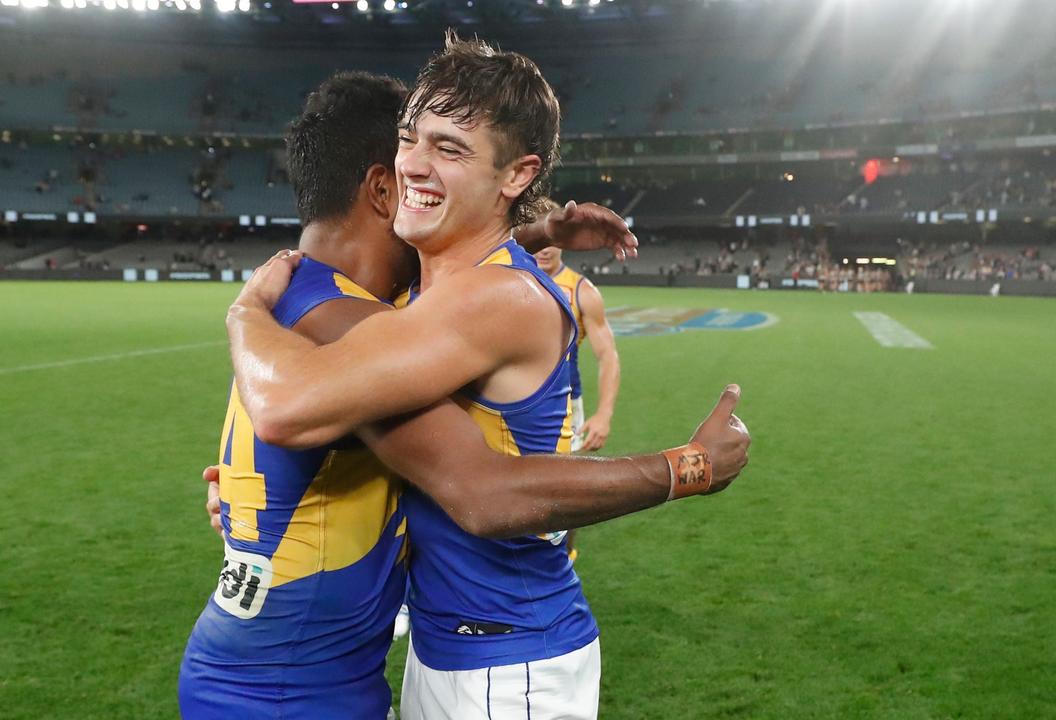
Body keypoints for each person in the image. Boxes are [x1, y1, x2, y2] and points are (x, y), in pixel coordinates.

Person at [225, 38, 749, 720]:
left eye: (450, 148)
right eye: (410, 137)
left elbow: (294, 410)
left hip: (510, 666)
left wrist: (244, 313)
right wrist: (543, 224)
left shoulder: (492, 299)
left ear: (516, 174)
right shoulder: (446, 287)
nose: (411, 162)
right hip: (458, 648)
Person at [534, 242, 621, 453]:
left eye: (551, 242)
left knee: (560, 478)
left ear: (562, 242)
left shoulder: (582, 290)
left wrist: (604, 414)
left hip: (564, 404)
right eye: (539, 242)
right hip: (508, 399)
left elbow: (607, 355)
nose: (544, 250)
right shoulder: (509, 279)